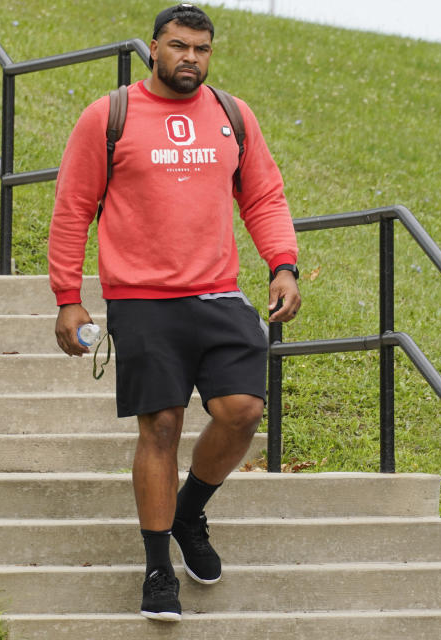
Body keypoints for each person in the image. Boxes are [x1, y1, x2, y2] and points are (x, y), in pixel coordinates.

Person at [47, 3, 300, 622]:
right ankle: (159, 569)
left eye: (202, 49)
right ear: (153, 49)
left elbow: (263, 193)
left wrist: (283, 264)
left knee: (241, 411)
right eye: (179, 46)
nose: (191, 58)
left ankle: (190, 511)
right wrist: (67, 298)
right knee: (160, 426)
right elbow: (72, 207)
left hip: (216, 294)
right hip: (141, 299)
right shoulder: (110, 117)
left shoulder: (232, 117)